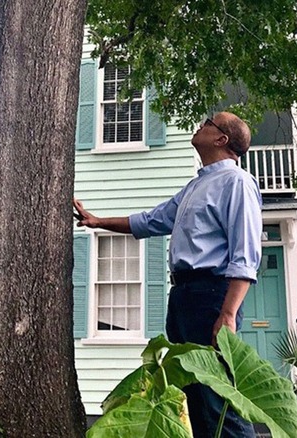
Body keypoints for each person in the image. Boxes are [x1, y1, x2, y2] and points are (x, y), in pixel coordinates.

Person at [74, 111, 263, 437]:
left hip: (211, 296)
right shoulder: (196, 185)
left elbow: (246, 255)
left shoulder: (237, 183)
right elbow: (150, 221)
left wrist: (228, 314)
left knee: (216, 399)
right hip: (183, 297)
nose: (200, 124)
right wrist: (97, 221)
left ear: (222, 139)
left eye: (209, 123)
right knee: (192, 396)